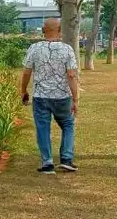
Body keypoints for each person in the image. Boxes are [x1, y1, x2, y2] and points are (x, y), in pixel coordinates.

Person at [20, 18, 79, 174]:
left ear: (43, 30)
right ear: (60, 30)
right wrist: (75, 99)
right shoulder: (67, 49)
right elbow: (71, 75)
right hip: (62, 97)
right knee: (68, 124)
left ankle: (47, 163)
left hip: (40, 97)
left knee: (42, 128)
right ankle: (66, 159)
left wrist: (23, 90)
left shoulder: (34, 48)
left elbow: (27, 72)